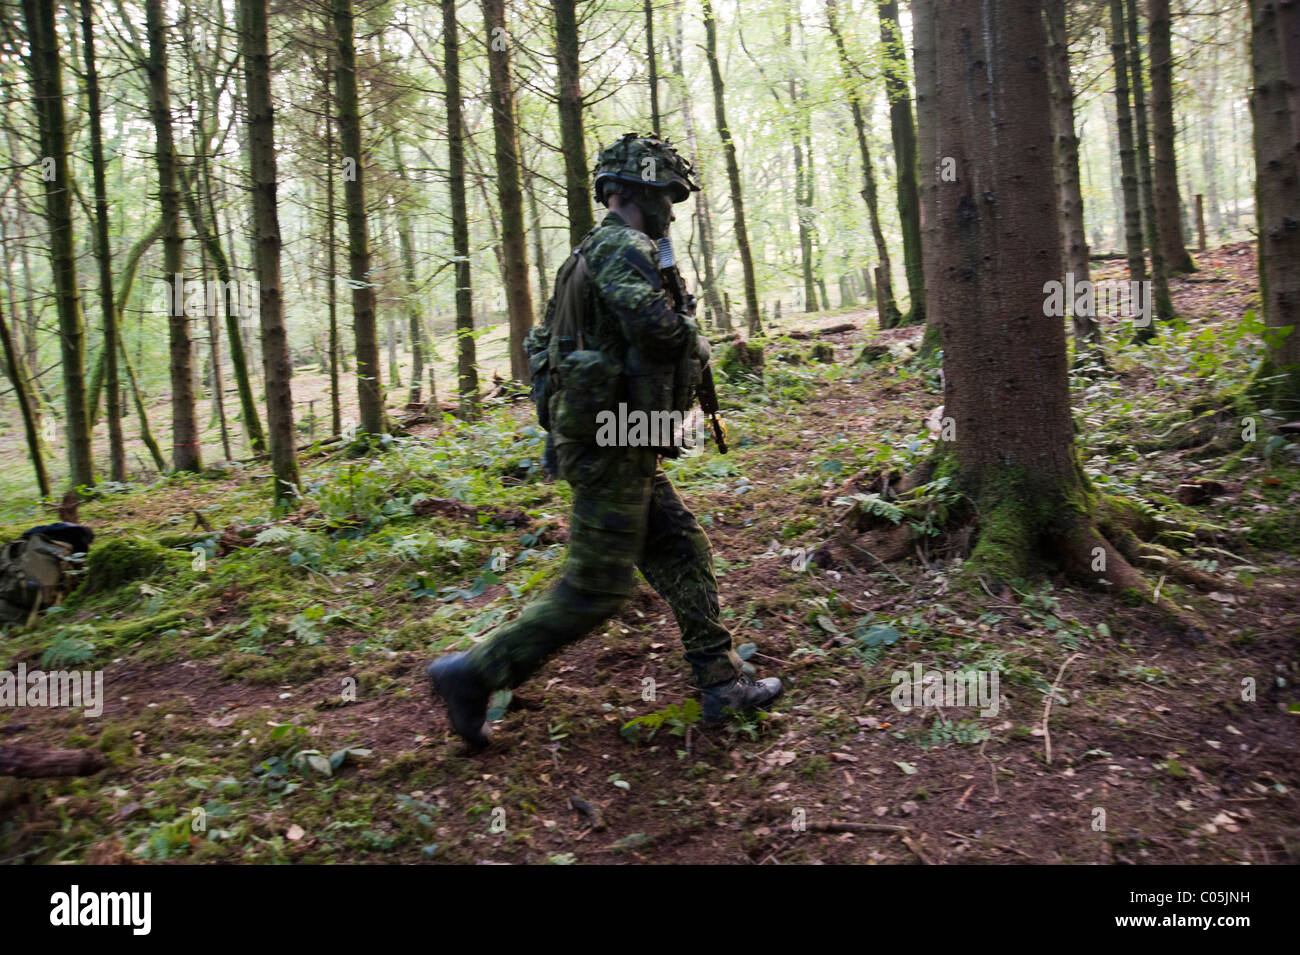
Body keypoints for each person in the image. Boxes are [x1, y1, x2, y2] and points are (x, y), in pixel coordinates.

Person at [427, 133, 782, 750]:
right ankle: (472, 674)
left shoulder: (588, 253)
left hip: (620, 439)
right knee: (597, 588)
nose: (672, 208)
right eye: (667, 195)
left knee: (680, 549)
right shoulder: (623, 248)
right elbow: (656, 329)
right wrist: (694, 334)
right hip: (611, 443)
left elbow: (552, 346)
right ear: (640, 192)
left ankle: (721, 683)